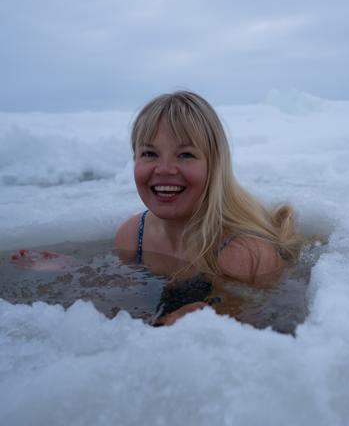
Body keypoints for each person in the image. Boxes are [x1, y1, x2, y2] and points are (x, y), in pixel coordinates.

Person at [11, 91, 305, 326]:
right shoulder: (132, 236)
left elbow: (255, 327)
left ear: (215, 166)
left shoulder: (242, 253)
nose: (164, 170)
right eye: (149, 153)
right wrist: (77, 272)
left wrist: (215, 315)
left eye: (186, 155)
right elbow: (125, 302)